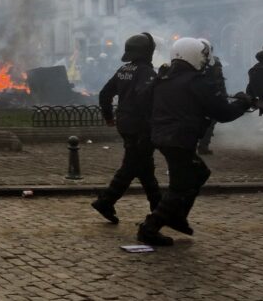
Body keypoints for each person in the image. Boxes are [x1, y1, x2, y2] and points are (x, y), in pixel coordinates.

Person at [137, 37, 253, 246]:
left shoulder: (164, 78)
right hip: (180, 138)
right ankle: (150, 227)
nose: (204, 60)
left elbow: (144, 101)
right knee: (180, 186)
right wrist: (244, 104)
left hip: (164, 137)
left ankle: (177, 216)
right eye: (202, 55)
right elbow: (222, 112)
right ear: (192, 55)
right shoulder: (195, 81)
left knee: (199, 173)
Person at [91, 33, 162, 224]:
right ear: (148, 51)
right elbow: (144, 98)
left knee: (143, 167)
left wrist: (108, 116)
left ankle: (159, 209)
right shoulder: (146, 72)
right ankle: (105, 201)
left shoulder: (124, 69)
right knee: (133, 166)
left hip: (125, 123)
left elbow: (105, 93)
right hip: (140, 127)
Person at [197, 39, 226, 156]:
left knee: (209, 122)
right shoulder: (214, 63)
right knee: (209, 122)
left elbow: (219, 80)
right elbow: (219, 81)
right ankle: (203, 145)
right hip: (208, 96)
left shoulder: (214, 63)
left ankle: (202, 145)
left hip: (203, 95)